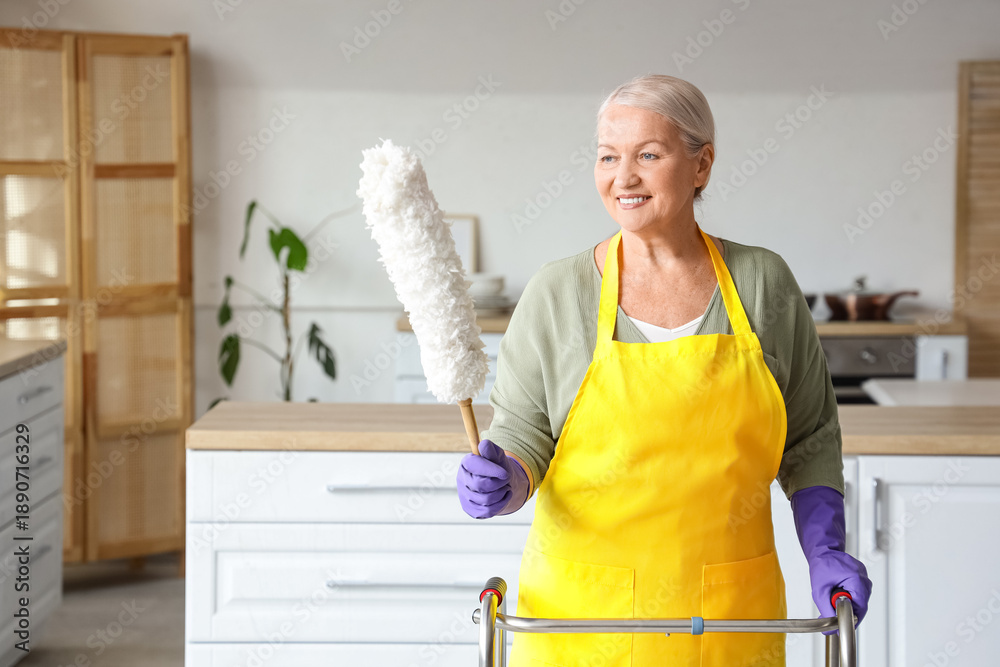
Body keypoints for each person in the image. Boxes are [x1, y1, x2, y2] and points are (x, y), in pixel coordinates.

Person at [456, 74, 871, 666]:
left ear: (702, 165)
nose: (623, 177)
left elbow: (809, 439)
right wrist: (505, 481)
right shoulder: (557, 292)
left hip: (728, 624)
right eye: (608, 156)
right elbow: (524, 434)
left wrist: (825, 551)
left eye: (648, 155)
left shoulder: (762, 283)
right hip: (580, 624)